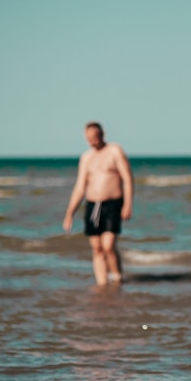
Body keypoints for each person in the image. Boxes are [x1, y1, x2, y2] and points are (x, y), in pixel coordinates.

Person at [62, 122, 134, 285]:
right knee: (97, 248)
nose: (93, 141)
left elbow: (128, 179)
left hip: (113, 203)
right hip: (93, 205)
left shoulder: (115, 151)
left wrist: (128, 204)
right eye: (89, 139)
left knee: (108, 246)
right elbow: (80, 187)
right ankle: (102, 284)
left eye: (95, 137)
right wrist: (69, 214)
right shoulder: (86, 158)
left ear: (102, 134)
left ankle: (117, 278)